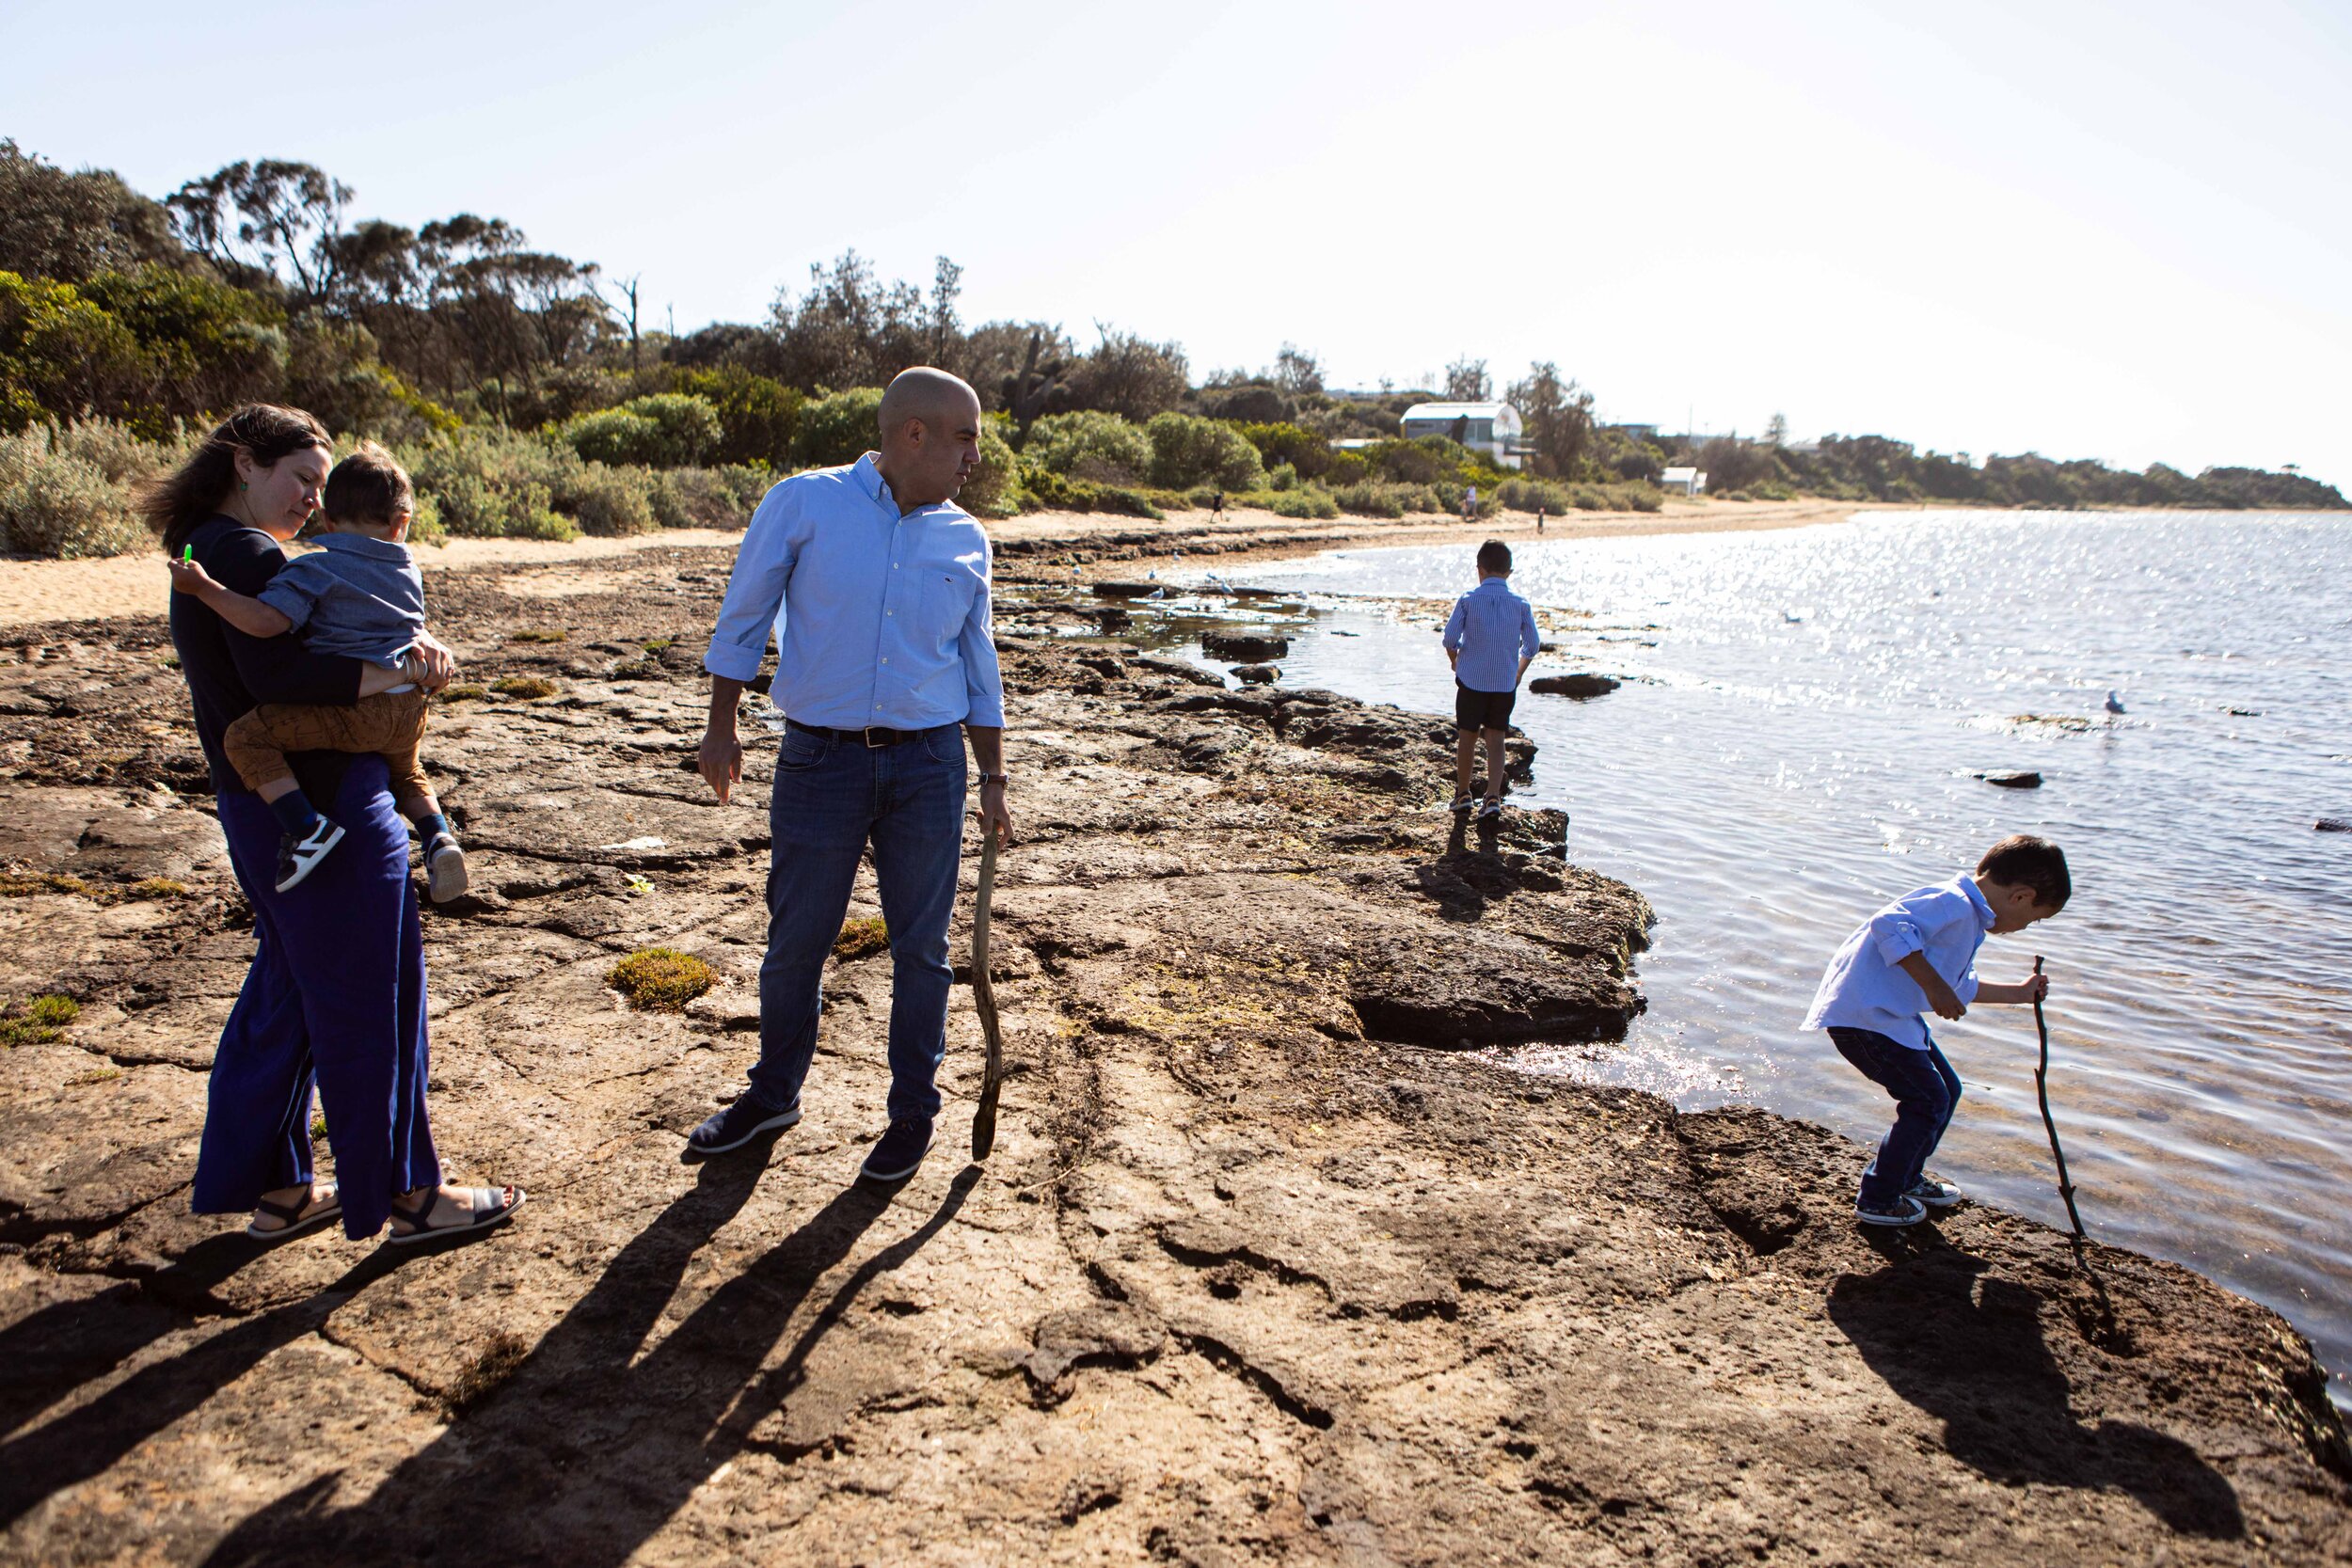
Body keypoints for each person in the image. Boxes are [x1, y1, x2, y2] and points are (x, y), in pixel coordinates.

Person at [151, 405, 521, 1245]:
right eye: (301, 480)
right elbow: (279, 670)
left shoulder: (212, 548)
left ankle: (277, 1185)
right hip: (327, 811)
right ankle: (407, 1194)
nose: (314, 503)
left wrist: (403, 649)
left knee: (289, 994)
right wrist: (404, 671)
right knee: (374, 998)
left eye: (323, 486)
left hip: (267, 806)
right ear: (244, 463)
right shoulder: (243, 553)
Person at [691, 367, 1014, 1181]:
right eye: (966, 437)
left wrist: (994, 778)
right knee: (796, 941)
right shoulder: (803, 502)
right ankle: (773, 1095)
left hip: (930, 765)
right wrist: (721, 724)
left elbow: (980, 663)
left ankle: (913, 1114)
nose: (975, 455)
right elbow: (747, 611)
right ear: (915, 434)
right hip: (819, 759)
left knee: (922, 950)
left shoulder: (967, 538)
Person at [165, 443, 469, 901]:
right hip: (409, 707)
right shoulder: (409, 568)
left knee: (244, 740)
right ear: (401, 524)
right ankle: (437, 836)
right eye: (304, 480)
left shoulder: (316, 570)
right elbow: (407, 625)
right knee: (405, 771)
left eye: (316, 488)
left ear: (326, 519)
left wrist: (205, 588)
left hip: (356, 709)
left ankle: (306, 829)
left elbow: (266, 622)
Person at [1802, 835, 2069, 1227]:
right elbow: (1889, 925)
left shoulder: (1966, 917)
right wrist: (1934, 986)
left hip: (1889, 1019)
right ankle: (1878, 1198)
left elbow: (1957, 986)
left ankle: (1906, 1177)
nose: (2026, 928)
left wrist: (2021, 993)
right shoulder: (1954, 904)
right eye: (2034, 919)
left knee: (1946, 1091)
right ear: (2021, 897)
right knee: (1927, 1101)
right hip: (1865, 1018)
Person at [1441, 539, 1541, 819]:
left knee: (1467, 737)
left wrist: (1455, 661)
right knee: (1496, 738)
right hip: (1504, 684)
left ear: (1479, 570)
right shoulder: (1520, 604)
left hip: (1471, 680)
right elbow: (1532, 646)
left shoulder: (1469, 599)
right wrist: (1518, 671)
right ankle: (1493, 798)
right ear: (1509, 572)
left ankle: (1463, 794)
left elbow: (1449, 638)